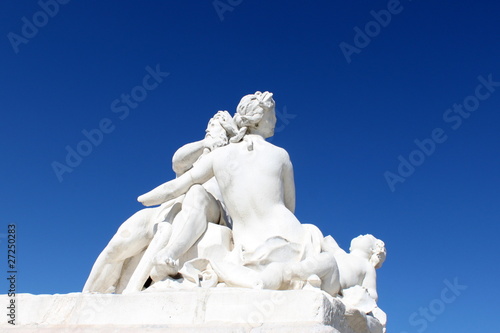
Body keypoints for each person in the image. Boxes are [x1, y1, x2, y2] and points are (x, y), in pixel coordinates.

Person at [138, 91, 340, 295]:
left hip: (248, 250)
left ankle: (283, 274)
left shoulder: (219, 156)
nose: (276, 120)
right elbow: (290, 206)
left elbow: (176, 187)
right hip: (292, 238)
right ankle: (292, 273)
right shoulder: (281, 155)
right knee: (326, 261)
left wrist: (145, 199)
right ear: (259, 120)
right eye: (272, 115)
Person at [82, 111, 235, 293]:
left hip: (207, 209)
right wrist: (205, 144)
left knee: (196, 192)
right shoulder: (197, 158)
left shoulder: (232, 159)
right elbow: (177, 162)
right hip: (166, 210)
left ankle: (168, 257)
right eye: (209, 129)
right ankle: (87, 296)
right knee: (117, 245)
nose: (211, 132)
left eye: (216, 129)